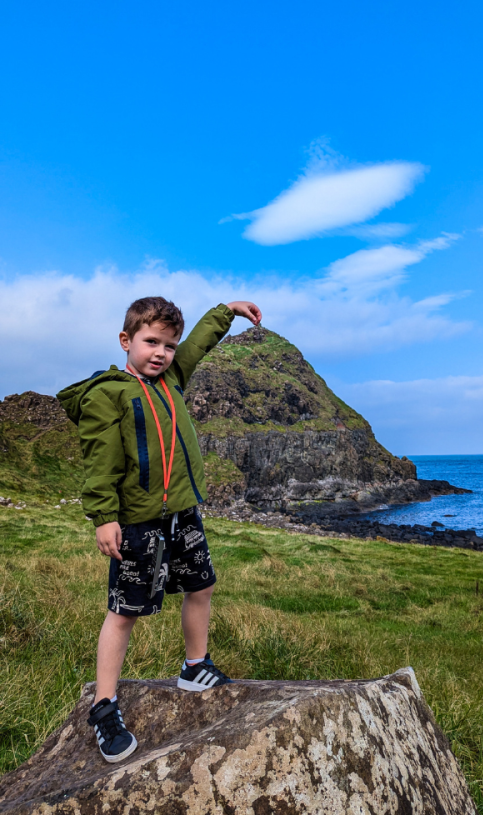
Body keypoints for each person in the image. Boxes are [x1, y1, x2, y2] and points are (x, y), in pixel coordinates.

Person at [57, 296, 262, 763]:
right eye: (151, 341)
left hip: (183, 513)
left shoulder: (172, 378)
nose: (162, 353)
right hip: (136, 521)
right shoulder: (108, 394)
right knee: (125, 611)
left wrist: (226, 312)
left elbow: (199, 346)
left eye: (168, 345)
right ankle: (104, 706)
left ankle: (194, 667)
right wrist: (104, 517)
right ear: (126, 340)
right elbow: (100, 461)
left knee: (202, 586)